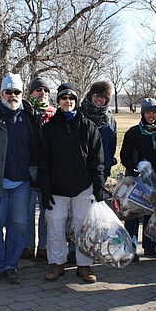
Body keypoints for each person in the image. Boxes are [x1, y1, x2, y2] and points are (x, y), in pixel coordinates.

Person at [39, 83, 105, 284]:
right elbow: (44, 161)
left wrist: (99, 187)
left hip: (83, 187)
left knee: (83, 228)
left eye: (71, 98)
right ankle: (57, 263)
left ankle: (84, 265)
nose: (68, 101)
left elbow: (97, 160)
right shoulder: (49, 128)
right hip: (57, 188)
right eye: (64, 98)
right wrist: (45, 189)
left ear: (76, 102)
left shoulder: (88, 126)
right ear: (58, 101)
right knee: (55, 226)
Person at [0, 73, 40, 287]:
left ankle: (11, 265)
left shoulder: (31, 117)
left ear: (22, 94)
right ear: (1, 93)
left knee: (19, 226)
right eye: (8, 91)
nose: (12, 96)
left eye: (16, 92)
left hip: (22, 182)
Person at [119, 97, 156, 259]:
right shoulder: (134, 132)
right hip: (135, 180)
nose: (151, 116)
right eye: (148, 112)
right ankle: (130, 247)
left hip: (155, 180)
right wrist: (135, 166)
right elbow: (124, 155)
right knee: (133, 214)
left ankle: (149, 246)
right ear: (143, 113)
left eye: (154, 112)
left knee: (151, 214)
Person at [23, 77, 56, 259]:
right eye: (38, 90)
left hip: (49, 169)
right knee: (27, 211)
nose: (42, 93)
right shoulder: (25, 112)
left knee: (46, 211)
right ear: (31, 93)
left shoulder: (55, 114)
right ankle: (28, 245)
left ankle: (44, 246)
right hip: (28, 167)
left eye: (45, 90)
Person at [79, 80, 117, 182]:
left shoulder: (110, 119)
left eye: (103, 96)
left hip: (102, 168)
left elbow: (112, 144)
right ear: (90, 96)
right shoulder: (80, 114)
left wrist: (109, 161)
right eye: (96, 95)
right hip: (81, 168)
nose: (99, 99)